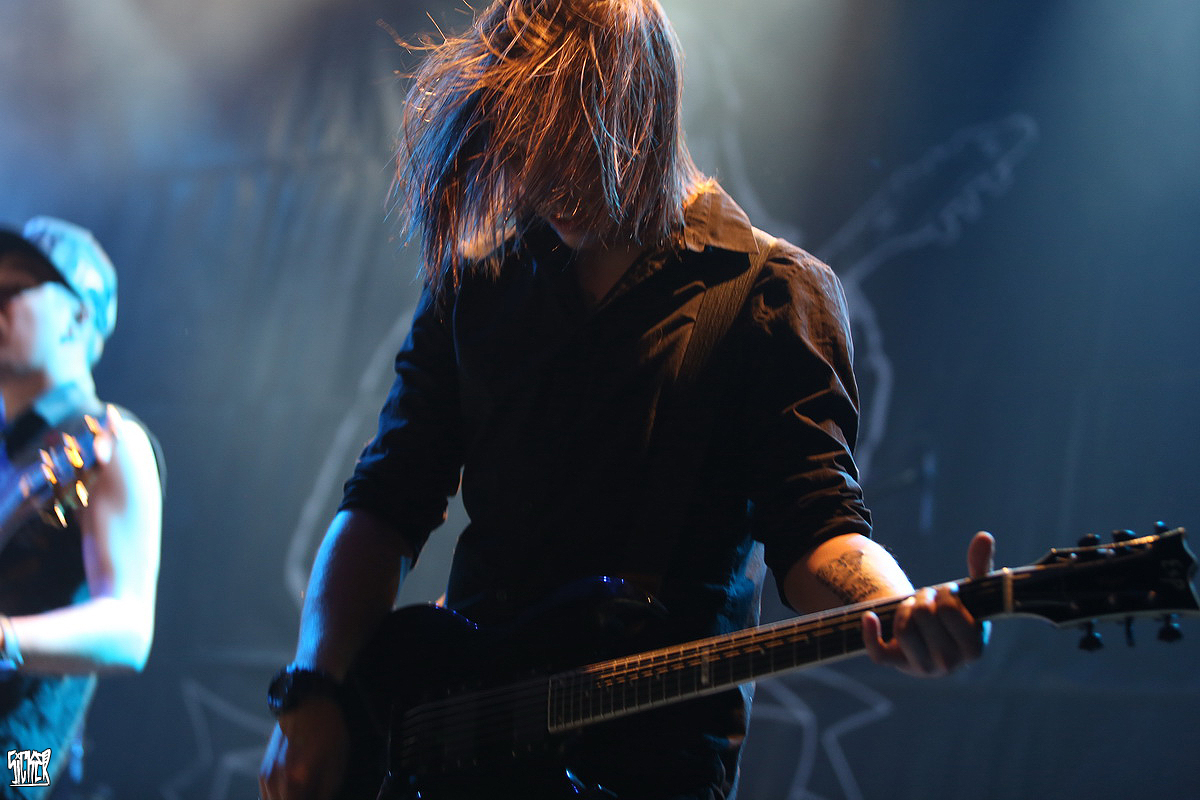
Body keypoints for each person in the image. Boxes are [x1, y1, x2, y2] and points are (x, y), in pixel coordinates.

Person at [259, 1, 994, 798]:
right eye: (522, 154)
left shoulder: (769, 295)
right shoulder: (480, 290)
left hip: (648, 772)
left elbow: (820, 531)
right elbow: (383, 504)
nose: (544, 185)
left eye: (570, 152)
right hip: (453, 758)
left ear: (642, 110)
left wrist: (898, 603)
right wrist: (314, 687)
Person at [0, 217, 163, 798]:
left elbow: (128, 628)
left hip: (23, 763)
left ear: (77, 317)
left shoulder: (112, 440)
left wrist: (5, 638)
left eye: (14, 288)